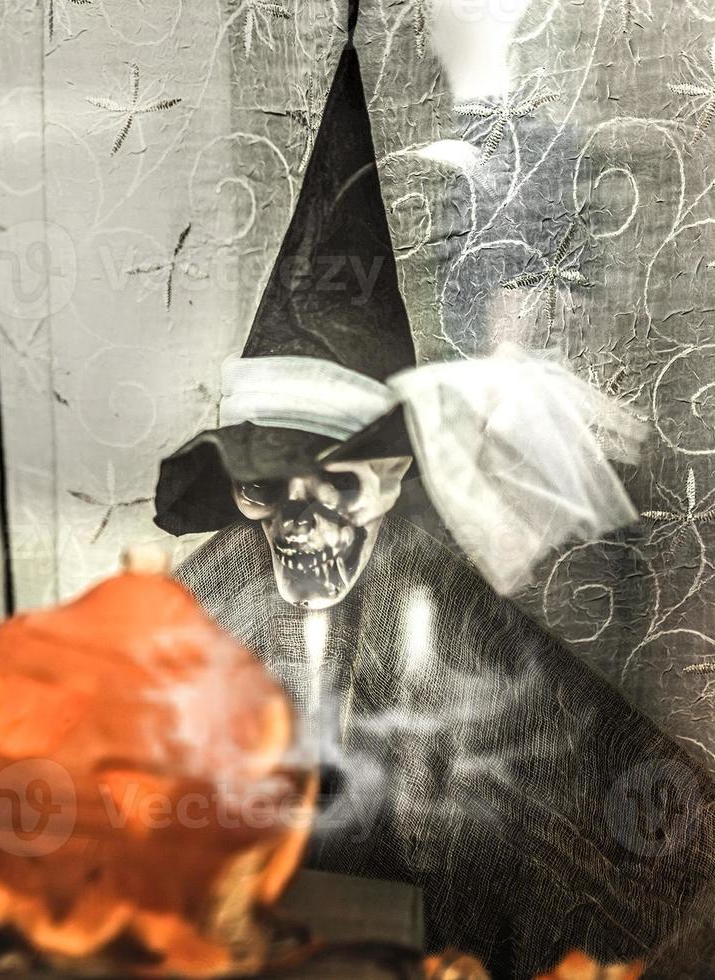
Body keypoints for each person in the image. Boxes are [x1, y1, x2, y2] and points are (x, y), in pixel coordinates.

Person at [153, 3, 715, 975]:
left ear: (398, 477)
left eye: (340, 483)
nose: (300, 518)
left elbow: (648, 834)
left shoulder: (457, 612)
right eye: (265, 488)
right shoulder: (198, 602)